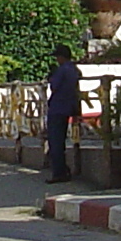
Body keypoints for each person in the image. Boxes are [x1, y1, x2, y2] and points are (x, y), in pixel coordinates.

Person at [44, 43, 83, 183]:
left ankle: (59, 172)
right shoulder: (74, 69)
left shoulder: (62, 70)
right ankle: (63, 170)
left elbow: (54, 86)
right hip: (69, 107)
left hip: (57, 108)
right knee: (61, 141)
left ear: (61, 57)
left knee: (55, 142)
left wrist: (51, 79)